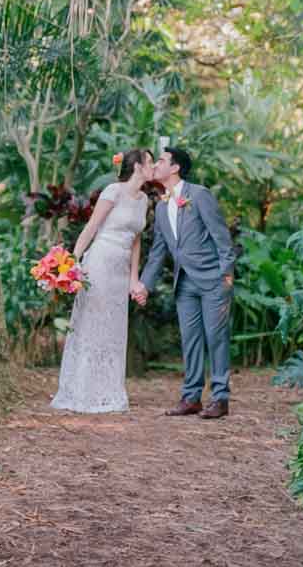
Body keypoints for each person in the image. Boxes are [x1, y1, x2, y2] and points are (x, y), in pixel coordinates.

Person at [133, 147, 236, 419]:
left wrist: (226, 276)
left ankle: (220, 398)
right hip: (184, 284)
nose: (156, 165)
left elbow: (222, 237)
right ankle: (191, 398)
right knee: (191, 340)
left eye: (162, 160)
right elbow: (158, 251)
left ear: (175, 167)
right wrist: (144, 284)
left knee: (216, 339)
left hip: (212, 280)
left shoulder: (199, 195)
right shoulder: (163, 203)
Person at [51, 148, 154, 413]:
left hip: (121, 269)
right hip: (100, 261)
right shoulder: (113, 191)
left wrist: (134, 279)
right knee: (92, 323)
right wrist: (70, 263)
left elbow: (136, 240)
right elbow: (91, 228)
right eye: (150, 162)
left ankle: (108, 391)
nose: (153, 166)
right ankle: (81, 391)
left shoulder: (143, 199)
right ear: (139, 167)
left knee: (114, 328)